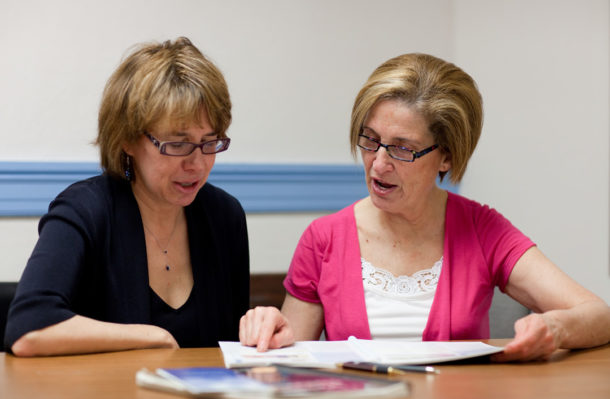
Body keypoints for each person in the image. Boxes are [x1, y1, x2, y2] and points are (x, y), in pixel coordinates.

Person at [239, 53, 610, 362]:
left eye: (403, 149)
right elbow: (289, 361)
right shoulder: (324, 238)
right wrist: (270, 330)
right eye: (370, 140)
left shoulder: (482, 230)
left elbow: (599, 315)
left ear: (446, 156)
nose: (379, 163)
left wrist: (554, 327)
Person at [4, 37, 249, 356]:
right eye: (178, 144)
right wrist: (150, 337)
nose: (198, 164)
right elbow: (28, 328)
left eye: (209, 142)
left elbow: (230, 347)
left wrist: (260, 330)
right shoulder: (86, 210)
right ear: (128, 140)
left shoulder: (224, 215)